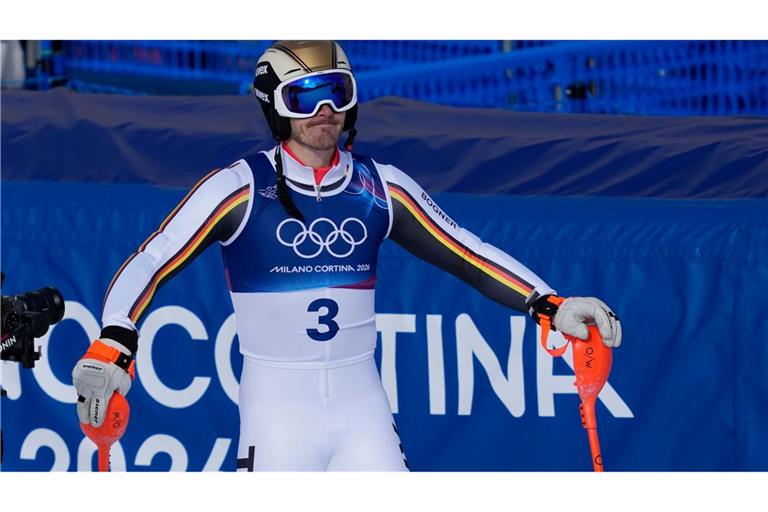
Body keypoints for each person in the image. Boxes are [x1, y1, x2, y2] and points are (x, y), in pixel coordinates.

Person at [72, 40, 622, 471]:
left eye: (337, 91)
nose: (326, 110)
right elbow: (152, 257)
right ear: (276, 107)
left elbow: (466, 253)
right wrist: (114, 338)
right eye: (305, 96)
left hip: (363, 407)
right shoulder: (239, 186)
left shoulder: (380, 186)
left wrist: (550, 304)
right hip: (278, 409)